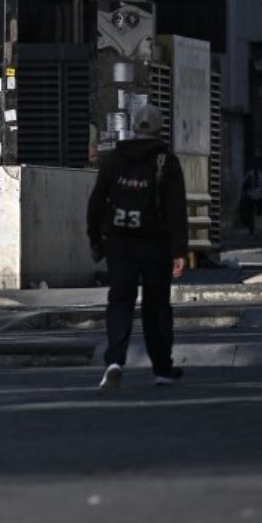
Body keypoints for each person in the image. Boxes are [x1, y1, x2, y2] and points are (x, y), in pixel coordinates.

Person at [86, 106, 188, 390]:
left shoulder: (114, 159)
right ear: (159, 128)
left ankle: (115, 361)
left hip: (119, 243)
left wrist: (95, 239)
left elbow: (96, 202)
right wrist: (180, 250)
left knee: (120, 301)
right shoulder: (166, 162)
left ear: (134, 128)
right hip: (156, 243)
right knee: (157, 306)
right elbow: (176, 209)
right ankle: (162, 369)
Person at [238, 164, 262, 236]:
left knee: (250, 214)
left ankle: (251, 229)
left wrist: (243, 195)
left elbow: (243, 185)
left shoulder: (248, 175)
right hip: (259, 198)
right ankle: (259, 228)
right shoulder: (261, 176)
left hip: (249, 197)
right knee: (259, 214)